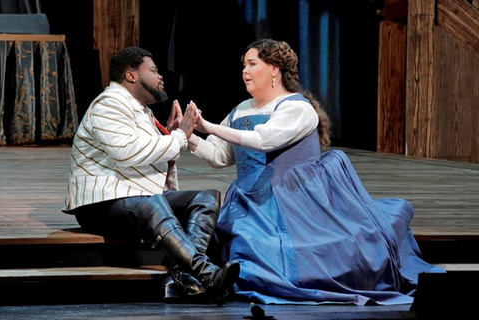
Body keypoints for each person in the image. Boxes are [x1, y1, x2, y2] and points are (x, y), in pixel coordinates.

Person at [185, 38, 445, 306]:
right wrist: (187, 136)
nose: (245, 71)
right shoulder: (240, 110)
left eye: (252, 64)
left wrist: (211, 126)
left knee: (266, 251)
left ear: (274, 69)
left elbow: (264, 140)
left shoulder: (297, 108)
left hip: (290, 203)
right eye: (244, 65)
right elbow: (220, 156)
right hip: (249, 202)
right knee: (239, 244)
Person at [61, 46, 240, 306]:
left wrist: (168, 134)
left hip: (132, 196)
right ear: (131, 76)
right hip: (99, 205)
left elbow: (149, 155)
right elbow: (127, 152)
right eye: (153, 70)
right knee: (150, 200)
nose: (160, 76)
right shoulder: (108, 104)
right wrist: (180, 137)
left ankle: (181, 277)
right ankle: (206, 272)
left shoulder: (140, 110)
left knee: (206, 197)